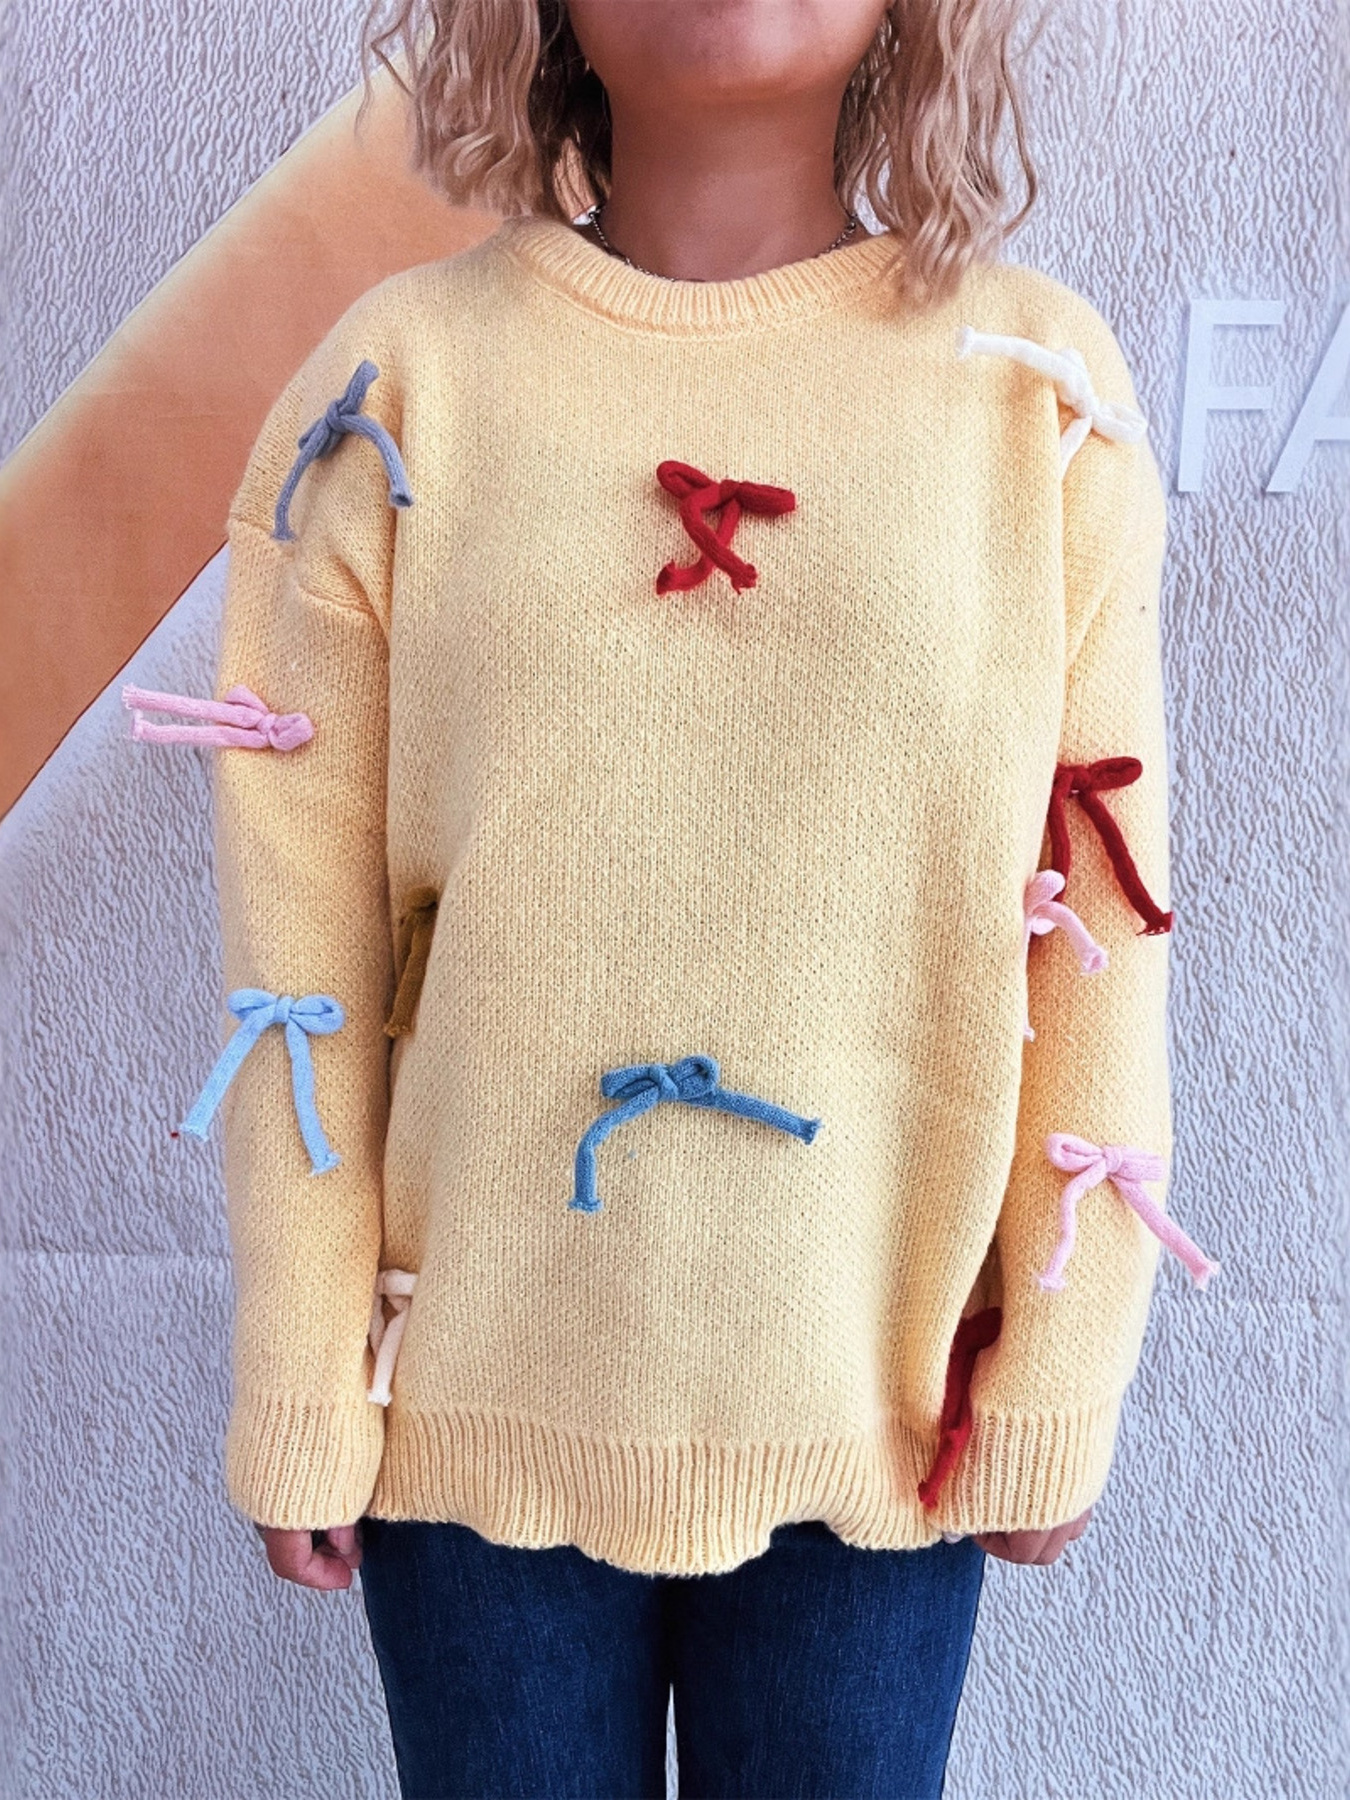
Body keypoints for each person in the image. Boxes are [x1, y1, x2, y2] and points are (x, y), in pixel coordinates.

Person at [183, 0, 1215, 1793]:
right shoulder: (402, 380)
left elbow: (1100, 910)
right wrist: (294, 1367)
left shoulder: (1029, 388)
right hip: (471, 1412)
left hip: (882, 1413)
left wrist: (1065, 1359)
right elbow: (301, 938)